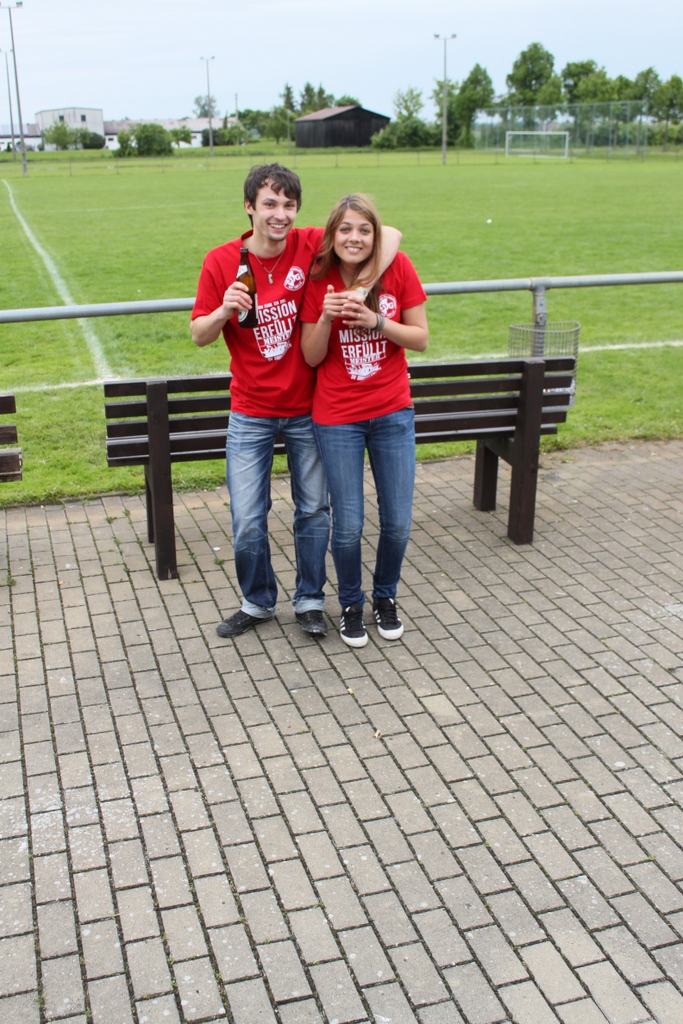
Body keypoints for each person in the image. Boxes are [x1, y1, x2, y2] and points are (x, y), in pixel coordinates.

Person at [191, 165, 401, 640]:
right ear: (249, 207)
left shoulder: (307, 244)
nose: (280, 214)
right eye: (270, 204)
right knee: (248, 516)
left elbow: (389, 234)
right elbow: (199, 334)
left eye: (289, 205)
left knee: (313, 511)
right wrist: (224, 309)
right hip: (250, 410)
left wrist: (361, 289)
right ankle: (257, 601)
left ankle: (310, 599)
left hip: (308, 408)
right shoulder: (222, 261)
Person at [300, 194, 428, 648]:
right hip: (338, 419)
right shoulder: (319, 277)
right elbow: (311, 357)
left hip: (393, 412)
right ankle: (351, 603)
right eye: (345, 229)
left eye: (364, 229)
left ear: (375, 235)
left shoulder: (397, 267)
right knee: (349, 523)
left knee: (398, 521)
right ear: (332, 235)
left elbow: (420, 338)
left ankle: (385, 596)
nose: (354, 238)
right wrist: (325, 318)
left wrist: (377, 322)